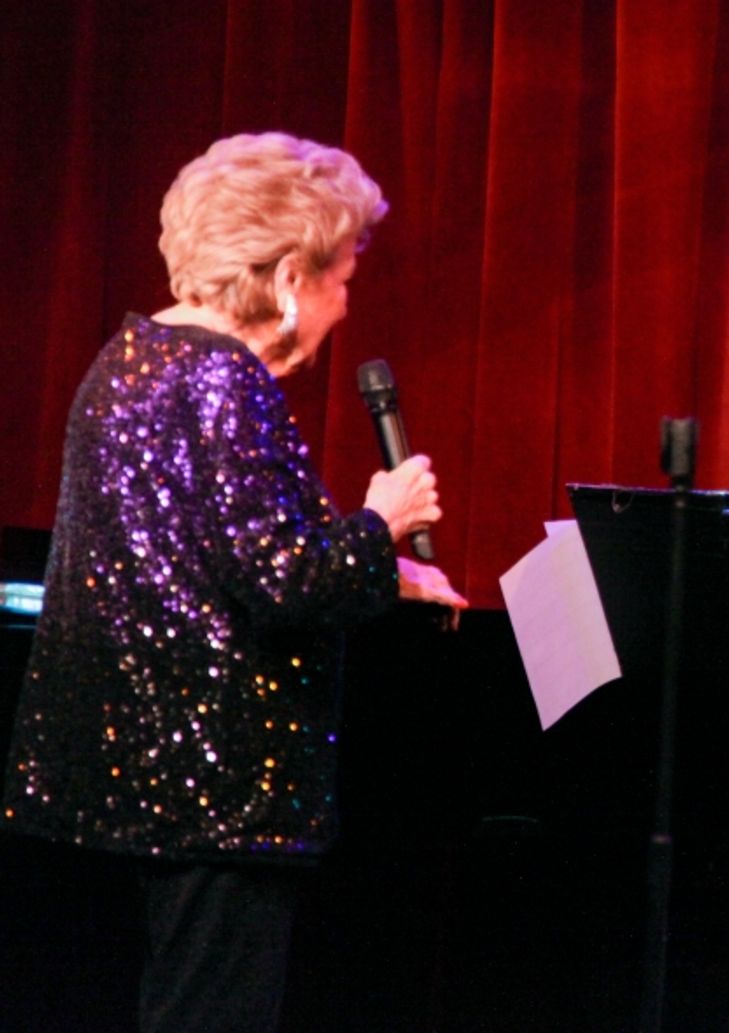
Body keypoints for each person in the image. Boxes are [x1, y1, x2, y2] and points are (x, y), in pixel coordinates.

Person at [2, 132, 468, 1033]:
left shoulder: (125, 361)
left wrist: (389, 575)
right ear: (292, 276)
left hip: (114, 792)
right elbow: (285, 580)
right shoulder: (226, 380)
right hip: (214, 798)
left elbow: (209, 555)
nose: (342, 307)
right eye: (340, 281)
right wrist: (382, 517)